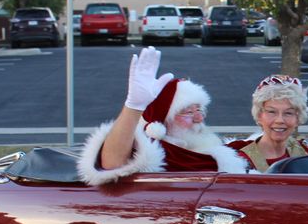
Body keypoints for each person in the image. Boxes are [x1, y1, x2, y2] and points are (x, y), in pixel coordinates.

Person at [77, 47, 249, 185]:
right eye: (189, 112)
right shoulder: (159, 152)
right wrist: (134, 106)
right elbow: (112, 163)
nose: (199, 119)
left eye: (200, 110)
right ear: (163, 122)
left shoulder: (218, 149)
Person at [227, 74, 308, 170]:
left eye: (288, 113)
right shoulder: (239, 160)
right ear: (260, 115)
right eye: (272, 112)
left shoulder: (305, 151)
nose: (280, 120)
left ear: (298, 118)